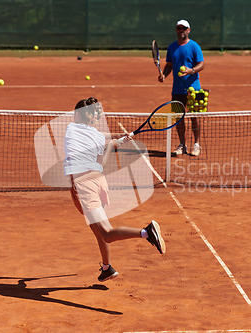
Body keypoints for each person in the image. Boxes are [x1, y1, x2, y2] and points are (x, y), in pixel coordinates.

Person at [64, 97, 166, 282]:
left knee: (106, 233)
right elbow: (101, 160)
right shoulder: (96, 135)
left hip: (83, 186)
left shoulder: (71, 129)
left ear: (78, 115)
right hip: (98, 183)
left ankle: (146, 232)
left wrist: (111, 144)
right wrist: (112, 144)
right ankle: (106, 268)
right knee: (97, 229)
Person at [158, 19, 205, 157]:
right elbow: (169, 65)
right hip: (177, 89)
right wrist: (164, 75)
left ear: (188, 30)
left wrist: (191, 71)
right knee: (178, 118)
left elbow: (201, 64)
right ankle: (182, 144)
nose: (181, 31)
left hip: (194, 89)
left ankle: (196, 144)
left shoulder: (194, 46)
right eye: (179, 28)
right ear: (176, 30)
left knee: (194, 117)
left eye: (184, 28)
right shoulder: (172, 47)